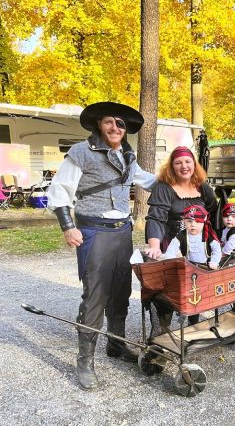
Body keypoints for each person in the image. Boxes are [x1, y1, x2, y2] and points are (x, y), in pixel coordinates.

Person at [46, 102, 156, 391]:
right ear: (99, 124)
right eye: (109, 122)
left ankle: (116, 345)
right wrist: (68, 227)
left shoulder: (128, 156)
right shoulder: (80, 152)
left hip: (123, 232)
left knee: (120, 291)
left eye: (120, 124)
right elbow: (59, 190)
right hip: (93, 231)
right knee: (95, 296)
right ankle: (85, 362)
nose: (115, 128)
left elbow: (149, 181)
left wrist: (185, 183)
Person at [144, 146, 218, 329]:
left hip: (197, 244)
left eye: (187, 161)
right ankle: (162, 331)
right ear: (172, 166)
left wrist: (216, 240)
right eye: (178, 163)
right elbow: (156, 218)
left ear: (194, 164)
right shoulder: (164, 188)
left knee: (196, 283)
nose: (183, 166)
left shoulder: (203, 187)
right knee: (167, 290)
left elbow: (214, 212)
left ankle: (194, 324)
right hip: (171, 242)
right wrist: (154, 246)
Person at [163, 205, 222, 269]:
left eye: (197, 221)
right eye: (189, 221)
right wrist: (169, 261)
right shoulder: (181, 235)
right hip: (189, 266)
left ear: (204, 222)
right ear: (184, 221)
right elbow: (171, 249)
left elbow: (217, 249)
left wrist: (214, 262)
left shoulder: (208, 234)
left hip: (206, 266)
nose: (193, 225)